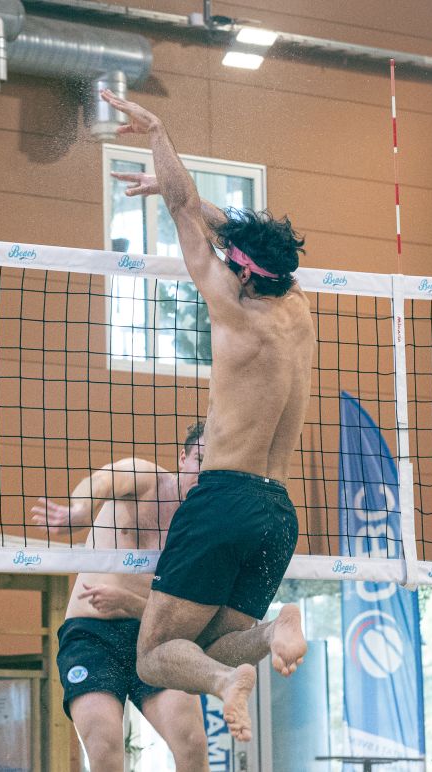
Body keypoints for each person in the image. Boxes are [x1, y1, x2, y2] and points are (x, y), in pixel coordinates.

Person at [101, 88, 314, 743]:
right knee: (214, 646)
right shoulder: (297, 307)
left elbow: (185, 205)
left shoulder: (230, 303)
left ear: (242, 275)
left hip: (223, 496)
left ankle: (228, 685)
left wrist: (158, 132)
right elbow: (226, 228)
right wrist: (213, 214)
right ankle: (272, 631)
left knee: (153, 655)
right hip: (279, 512)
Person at [30, 423, 209, 772]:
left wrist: (129, 603)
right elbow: (101, 481)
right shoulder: (147, 480)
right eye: (200, 459)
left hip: (154, 635)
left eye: (214, 466)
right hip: (92, 635)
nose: (204, 472)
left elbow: (185, 611)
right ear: (183, 457)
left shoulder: (205, 527)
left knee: (192, 742)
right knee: (105, 746)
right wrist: (79, 511)